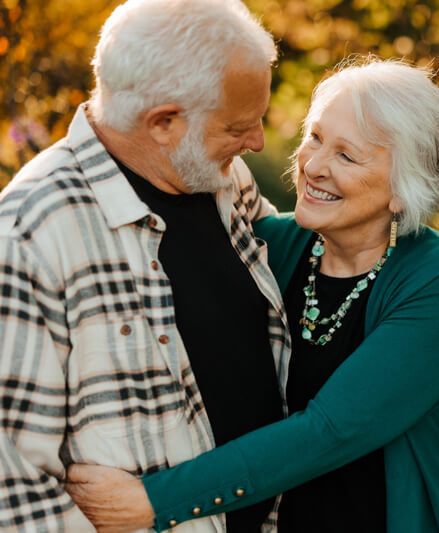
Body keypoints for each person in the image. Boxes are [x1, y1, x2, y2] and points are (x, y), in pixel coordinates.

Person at [65, 58, 439, 532]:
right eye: (314, 137)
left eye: (346, 156)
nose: (314, 166)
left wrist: (153, 501)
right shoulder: (272, 244)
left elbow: (331, 430)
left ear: (403, 189)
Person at [0, 0, 290, 531]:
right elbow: (15, 492)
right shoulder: (29, 236)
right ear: (163, 123)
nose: (257, 142)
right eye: (238, 127)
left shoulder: (222, 178)